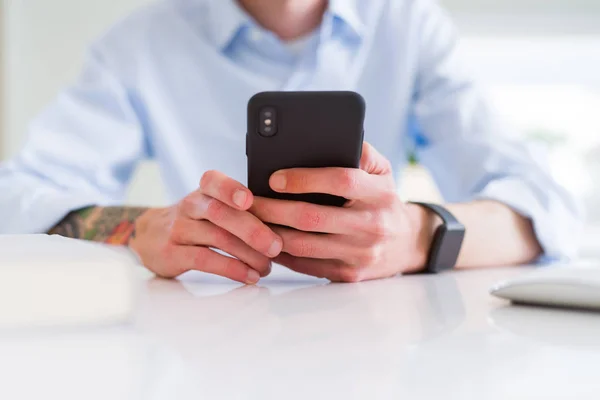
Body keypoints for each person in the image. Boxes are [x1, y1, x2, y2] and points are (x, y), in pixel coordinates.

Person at [0, 0, 580, 284]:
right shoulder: (140, 44)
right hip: (212, 339)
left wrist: (416, 235)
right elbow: (15, 200)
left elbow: (548, 208)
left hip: (381, 346)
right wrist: (137, 226)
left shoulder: (407, 25)